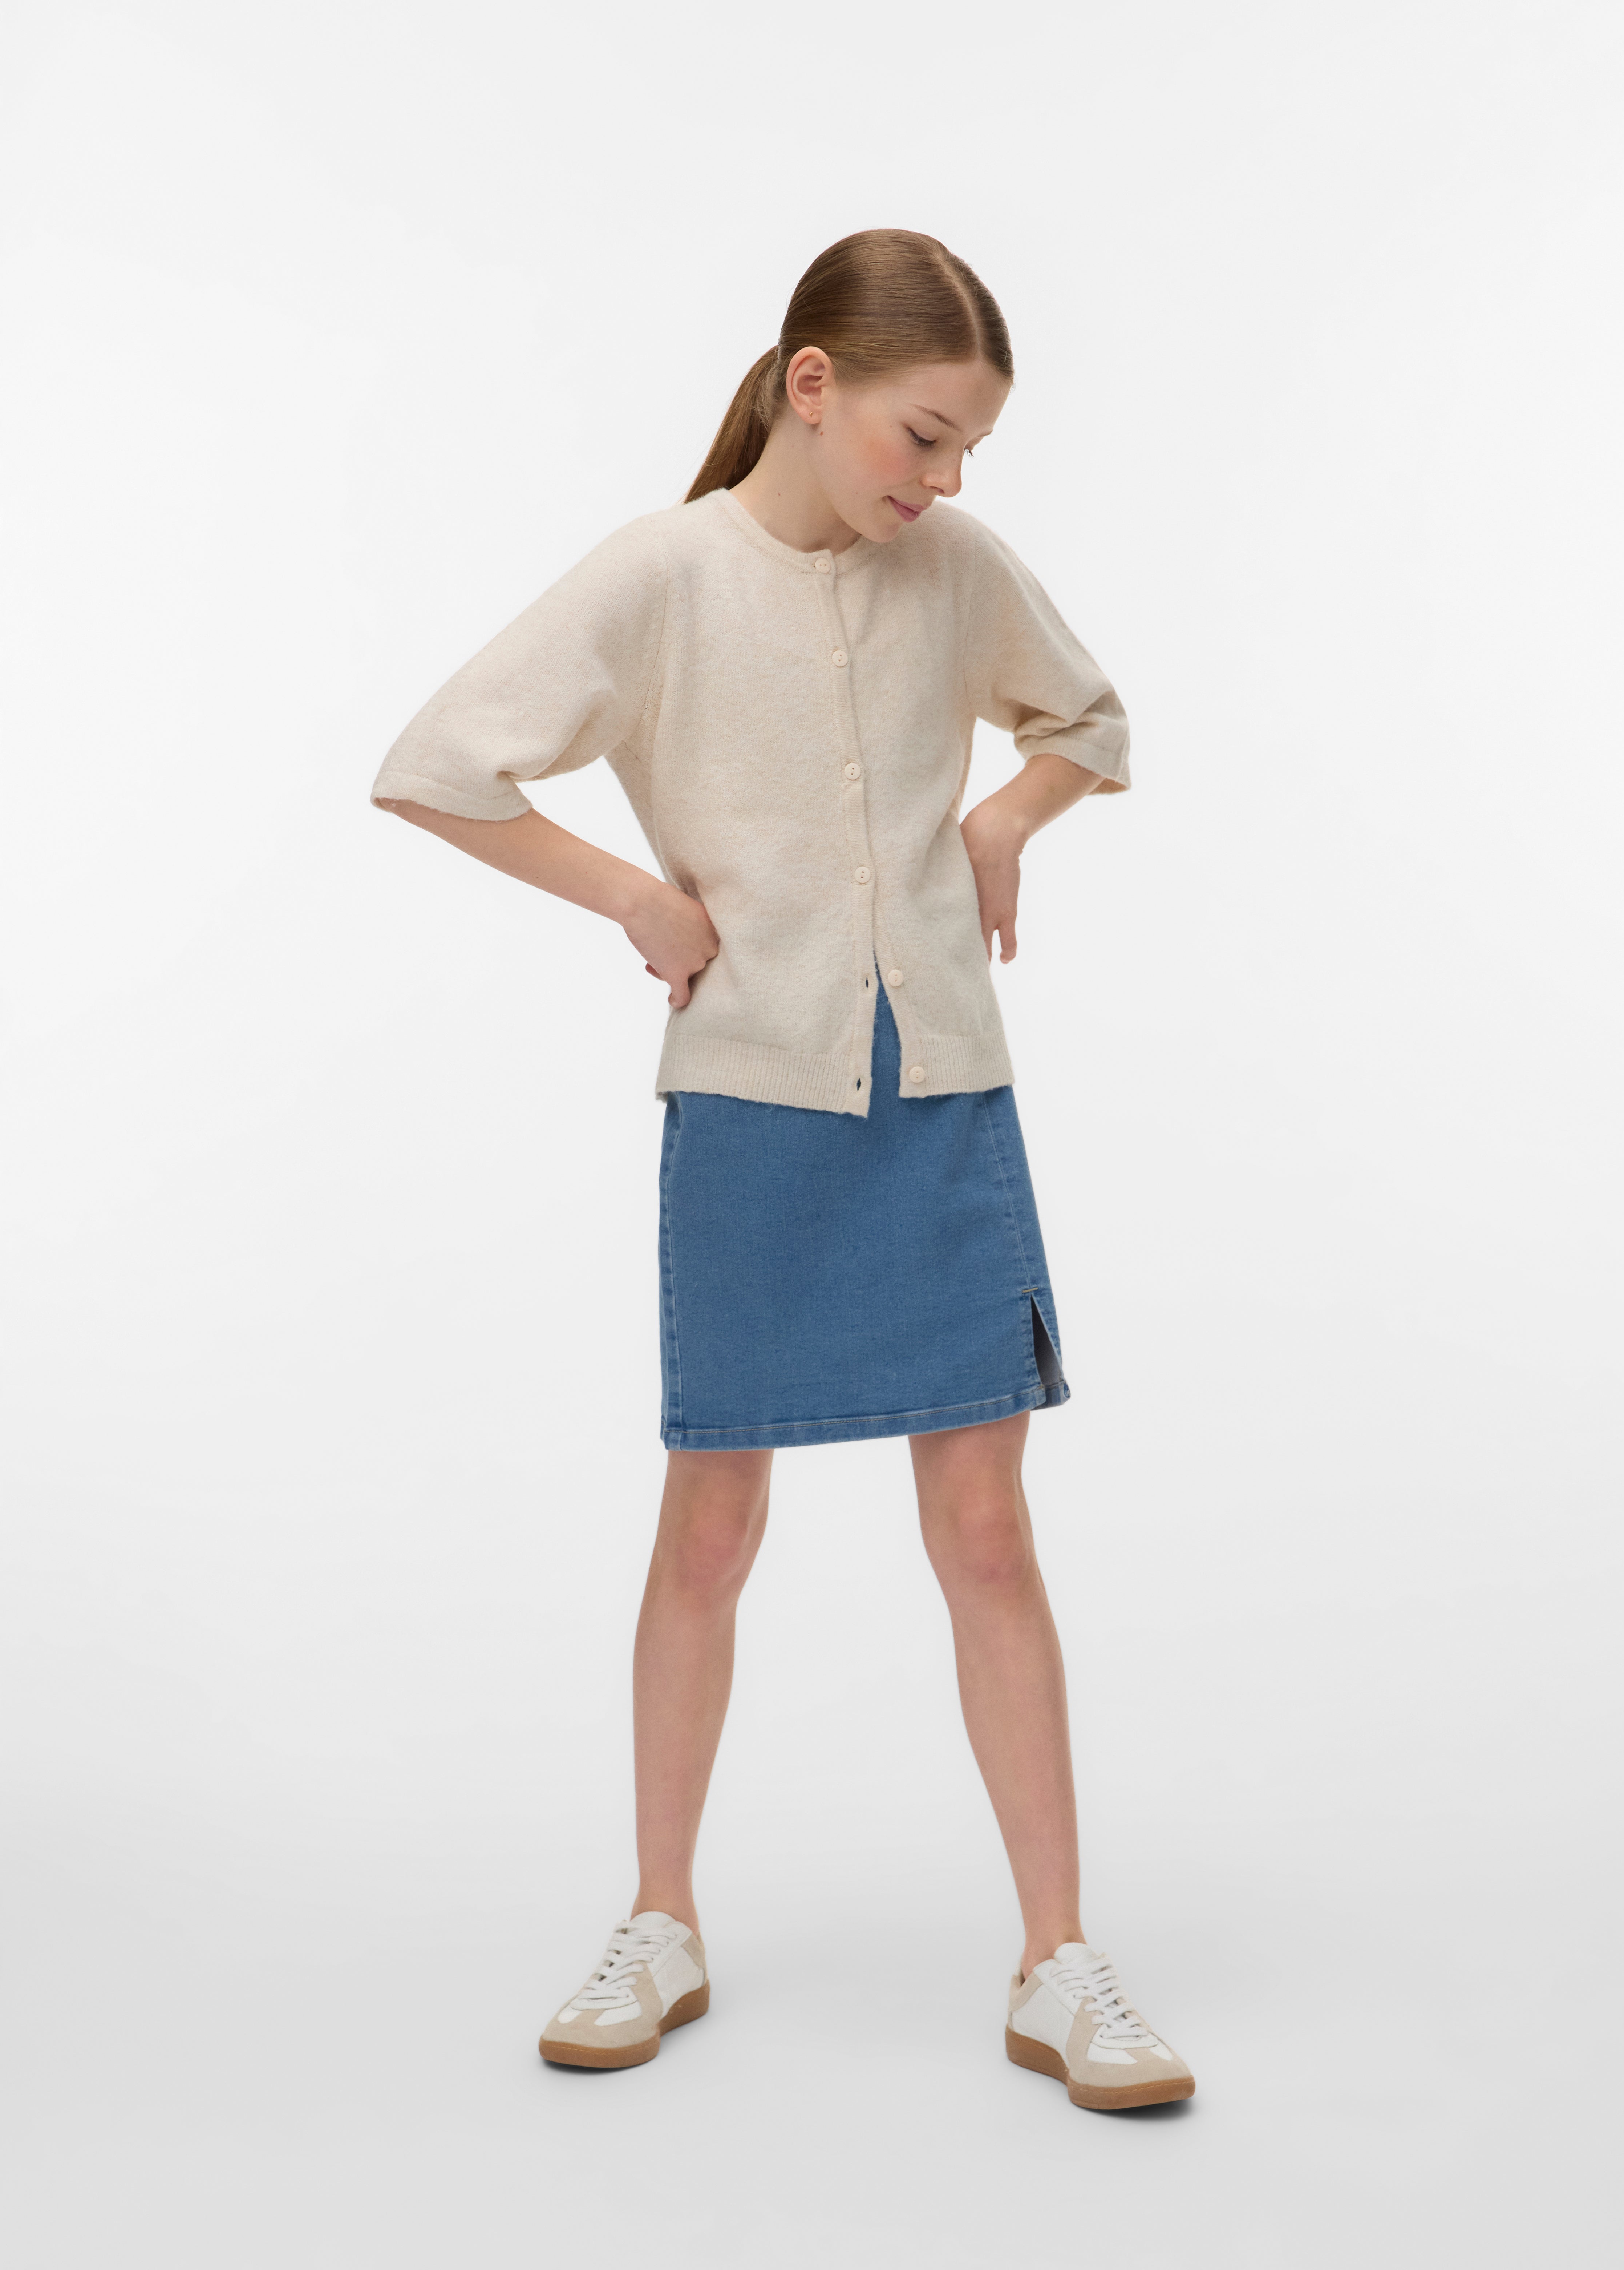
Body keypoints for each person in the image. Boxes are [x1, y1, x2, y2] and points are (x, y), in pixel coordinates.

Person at [370, 229, 1193, 2113]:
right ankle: (658, 1918)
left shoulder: (958, 570)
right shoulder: (663, 575)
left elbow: (1093, 719)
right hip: (749, 1098)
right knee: (712, 1527)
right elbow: (436, 764)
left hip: (943, 1096)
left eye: (971, 448)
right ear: (811, 385)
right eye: (927, 434)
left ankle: (1060, 1958)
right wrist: (635, 900)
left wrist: (1007, 815)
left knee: (987, 1530)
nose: (946, 481)